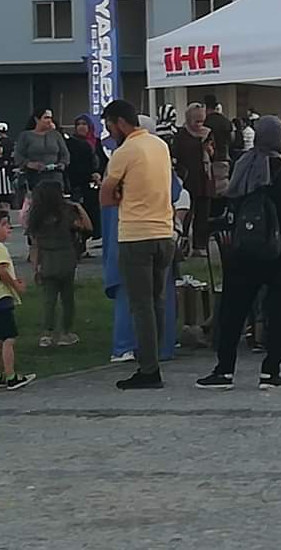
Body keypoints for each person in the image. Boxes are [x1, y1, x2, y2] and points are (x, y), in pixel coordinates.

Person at [196, 116, 281, 390]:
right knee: (278, 310)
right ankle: (271, 371)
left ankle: (224, 369)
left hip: (245, 248)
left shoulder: (243, 167)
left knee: (234, 309)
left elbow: (231, 201)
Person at [100, 100, 175, 391]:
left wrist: (121, 195)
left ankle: (149, 369)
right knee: (157, 301)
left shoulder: (124, 152)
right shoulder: (160, 146)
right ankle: (157, 355)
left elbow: (105, 197)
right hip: (164, 232)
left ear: (120, 122)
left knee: (141, 305)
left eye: (109, 126)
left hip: (136, 235)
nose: (109, 133)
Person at [27, 182, 91, 348]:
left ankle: (46, 334)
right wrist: (79, 207)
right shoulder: (66, 213)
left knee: (49, 299)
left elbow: (35, 245)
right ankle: (65, 333)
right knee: (67, 297)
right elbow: (87, 227)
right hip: (66, 256)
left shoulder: (36, 217)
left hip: (46, 259)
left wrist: (35, 267)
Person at [0, 210, 34, 390]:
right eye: (3, 224)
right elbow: (0, 270)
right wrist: (15, 285)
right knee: (9, 338)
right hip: (0, 298)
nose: (9, 227)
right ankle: (11, 376)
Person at [172, 104, 214, 257]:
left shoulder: (208, 133)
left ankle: (200, 245)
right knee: (186, 213)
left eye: (202, 121)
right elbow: (176, 155)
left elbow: (213, 154)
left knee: (203, 213)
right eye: (196, 121)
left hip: (204, 177)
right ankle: (182, 243)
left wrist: (209, 150)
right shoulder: (181, 135)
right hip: (188, 178)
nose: (199, 125)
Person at [65, 114, 103, 244]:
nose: (81, 127)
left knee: (95, 209)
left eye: (84, 124)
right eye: (79, 124)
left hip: (95, 182)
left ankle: (96, 235)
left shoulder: (97, 142)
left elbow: (102, 160)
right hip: (78, 182)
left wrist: (98, 173)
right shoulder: (71, 143)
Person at [14, 108, 69, 190]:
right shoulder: (25, 136)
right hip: (34, 177)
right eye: (46, 118)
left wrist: (62, 163)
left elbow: (65, 154)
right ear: (37, 119)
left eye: (50, 118)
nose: (49, 121)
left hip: (55, 177)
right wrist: (29, 164)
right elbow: (18, 155)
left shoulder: (56, 135)